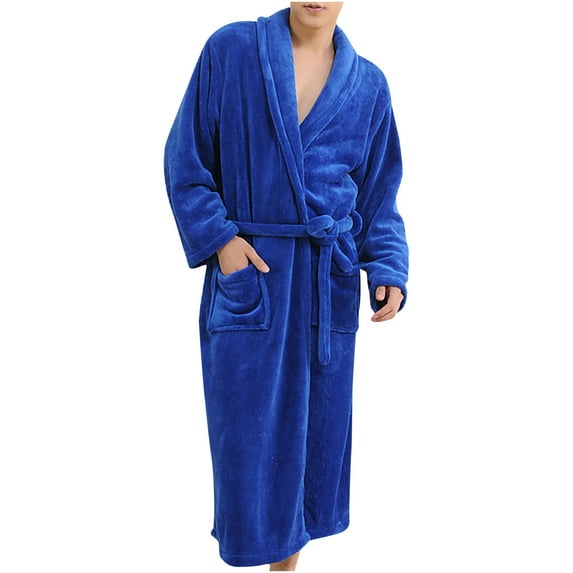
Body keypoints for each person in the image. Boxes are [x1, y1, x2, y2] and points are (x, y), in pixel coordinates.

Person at [163, 2, 408, 570]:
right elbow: (185, 161)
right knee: (249, 451)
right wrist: (222, 242)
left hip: (326, 288)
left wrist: (388, 267)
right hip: (255, 281)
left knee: (311, 453)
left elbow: (379, 196)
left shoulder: (369, 86)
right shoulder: (231, 51)